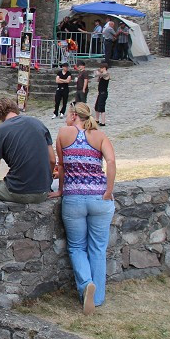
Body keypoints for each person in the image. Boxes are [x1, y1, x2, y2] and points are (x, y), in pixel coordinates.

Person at [48, 102, 116, 316]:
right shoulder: (100, 136)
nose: (66, 118)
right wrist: (108, 190)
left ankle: (86, 284)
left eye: (68, 114)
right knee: (97, 247)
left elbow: (62, 166)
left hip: (74, 197)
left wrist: (60, 191)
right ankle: (97, 298)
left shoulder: (63, 133)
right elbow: (111, 161)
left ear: (74, 115)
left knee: (77, 247)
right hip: (99, 197)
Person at [0, 96, 54, 203]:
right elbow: (52, 160)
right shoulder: (38, 124)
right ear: (15, 109)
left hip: (18, 191)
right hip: (44, 191)